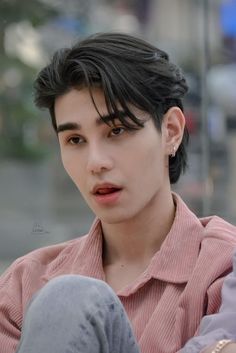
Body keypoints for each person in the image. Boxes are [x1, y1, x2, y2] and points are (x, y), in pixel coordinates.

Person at [0, 32, 236, 353]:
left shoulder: (224, 266)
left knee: (68, 299)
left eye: (117, 130)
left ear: (171, 131)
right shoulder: (25, 282)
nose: (95, 163)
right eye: (75, 140)